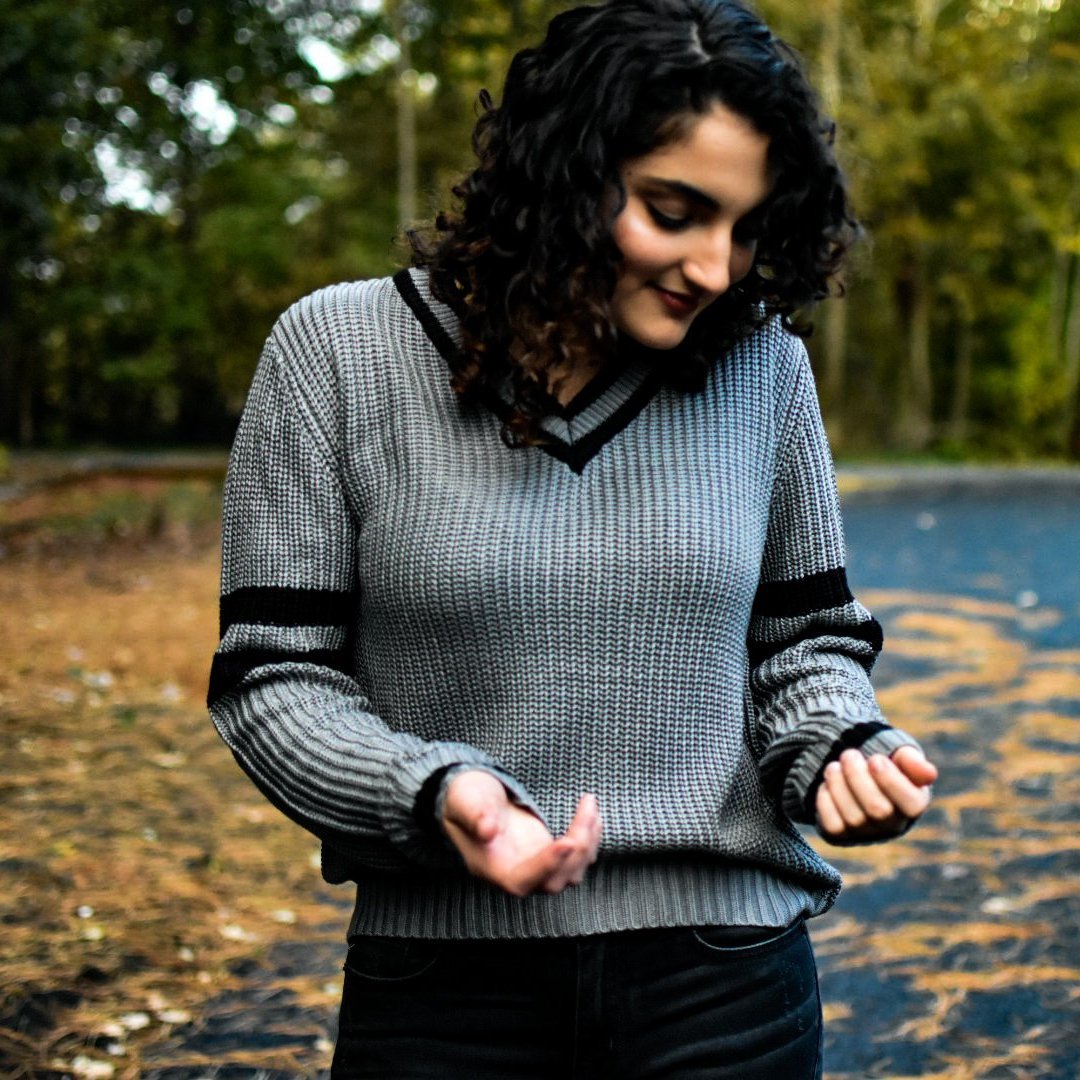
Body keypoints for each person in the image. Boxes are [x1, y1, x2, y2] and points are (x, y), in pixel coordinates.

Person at [208, 1, 939, 1076]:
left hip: (728, 984)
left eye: (744, 227)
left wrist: (836, 748)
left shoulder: (763, 367)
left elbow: (804, 644)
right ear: (563, 173)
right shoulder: (336, 354)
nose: (717, 267)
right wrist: (436, 791)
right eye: (674, 211)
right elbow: (273, 675)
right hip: (443, 999)